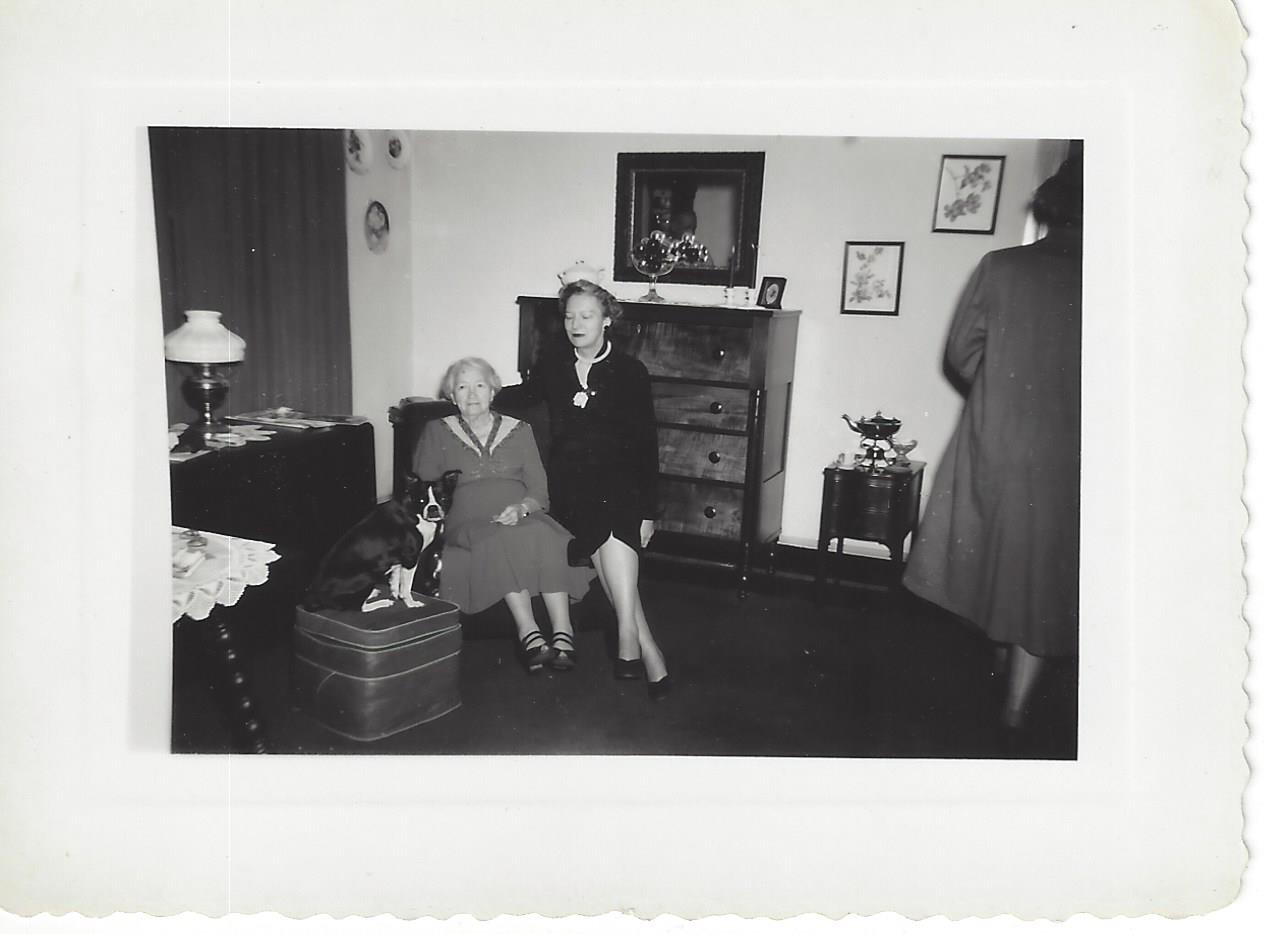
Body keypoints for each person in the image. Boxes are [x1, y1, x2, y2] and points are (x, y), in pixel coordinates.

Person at [902, 154, 1083, 736]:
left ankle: (1006, 690)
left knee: (1005, 561)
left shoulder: (1001, 267)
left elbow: (960, 355)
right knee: (1044, 579)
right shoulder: (1124, 279)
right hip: (1073, 448)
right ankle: (1015, 708)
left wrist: (1004, 387)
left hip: (1001, 438)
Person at [498, 279, 671, 699]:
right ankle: (638, 645)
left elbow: (646, 446)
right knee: (609, 529)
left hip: (621, 483)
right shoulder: (553, 365)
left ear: (607, 319)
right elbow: (520, 397)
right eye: (570, 315)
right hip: (570, 486)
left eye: (587, 315)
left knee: (617, 522)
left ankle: (642, 649)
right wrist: (477, 392)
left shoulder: (631, 372)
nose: (576, 323)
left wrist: (649, 511)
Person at [413, 357, 593, 673]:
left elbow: (540, 490)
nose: (471, 394)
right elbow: (422, 488)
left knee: (544, 534)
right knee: (500, 536)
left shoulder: (520, 430)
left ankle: (563, 633)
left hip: (521, 513)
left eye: (479, 385)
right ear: (452, 395)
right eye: (462, 387)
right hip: (467, 521)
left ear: (493, 390)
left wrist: (522, 507)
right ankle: (530, 633)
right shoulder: (436, 431)